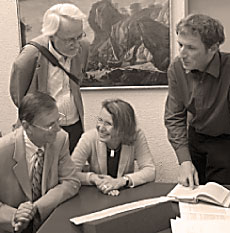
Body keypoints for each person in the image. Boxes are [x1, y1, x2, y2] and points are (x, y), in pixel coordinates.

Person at [164, 13, 230, 190]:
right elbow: (174, 117)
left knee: (222, 200)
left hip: (225, 144)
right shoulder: (176, 68)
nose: (182, 54)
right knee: (192, 195)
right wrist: (184, 161)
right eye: (180, 45)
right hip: (195, 138)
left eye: (191, 48)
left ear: (213, 48)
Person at [10, 3, 90, 154]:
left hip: (74, 125)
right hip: (42, 129)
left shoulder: (83, 47)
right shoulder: (29, 56)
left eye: (79, 36)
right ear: (51, 35)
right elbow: (19, 96)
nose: (76, 44)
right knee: (43, 173)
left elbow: (79, 78)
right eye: (69, 39)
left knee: (70, 171)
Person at [0, 92, 80, 233]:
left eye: (58, 120)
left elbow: (71, 181)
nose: (58, 129)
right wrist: (16, 216)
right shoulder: (3, 150)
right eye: (50, 125)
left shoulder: (60, 139)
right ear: (27, 126)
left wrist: (36, 207)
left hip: (49, 222)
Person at [72, 99, 155, 196]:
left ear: (123, 128)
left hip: (125, 195)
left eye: (108, 124)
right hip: (96, 195)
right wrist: (93, 178)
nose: (101, 127)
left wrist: (122, 181)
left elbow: (150, 171)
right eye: (100, 120)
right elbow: (70, 173)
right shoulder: (88, 138)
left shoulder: (136, 136)